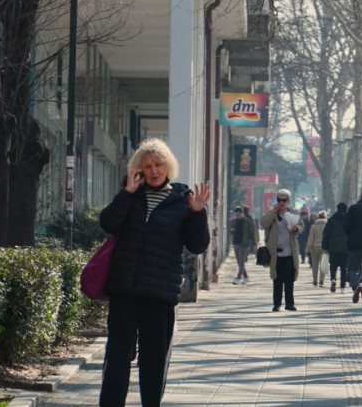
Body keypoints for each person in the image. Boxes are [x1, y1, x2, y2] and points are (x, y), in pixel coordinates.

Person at [98, 138, 211, 406]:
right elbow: (108, 223)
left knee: (154, 360)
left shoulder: (183, 201)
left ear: (167, 166)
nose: (153, 170)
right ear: (138, 169)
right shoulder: (130, 196)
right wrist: (126, 191)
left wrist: (198, 213)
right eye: (147, 166)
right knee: (117, 358)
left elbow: (197, 245)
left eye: (158, 164)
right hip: (125, 290)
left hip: (160, 294)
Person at [261, 189, 304, 311]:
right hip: (275, 253)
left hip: (290, 252)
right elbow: (264, 224)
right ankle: (277, 304)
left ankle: (289, 304)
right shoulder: (272, 213)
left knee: (289, 280)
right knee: (277, 279)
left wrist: (297, 229)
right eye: (279, 200)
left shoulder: (294, 213)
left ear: (288, 201)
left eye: (284, 200)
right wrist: (273, 211)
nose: (281, 202)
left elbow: (302, 226)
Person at [322, 202, 350, 293]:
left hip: (333, 247)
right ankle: (342, 286)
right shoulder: (349, 220)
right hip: (346, 248)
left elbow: (326, 234)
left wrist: (325, 246)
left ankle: (333, 279)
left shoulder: (332, 219)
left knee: (333, 266)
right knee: (344, 267)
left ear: (337, 209)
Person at [229, 205, 259, 285]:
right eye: (236, 215)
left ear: (242, 213)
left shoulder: (248, 222)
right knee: (239, 262)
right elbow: (231, 231)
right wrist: (232, 229)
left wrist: (255, 244)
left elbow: (253, 234)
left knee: (241, 261)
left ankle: (238, 278)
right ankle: (246, 277)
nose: (237, 216)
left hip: (244, 244)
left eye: (239, 214)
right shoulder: (234, 221)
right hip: (236, 243)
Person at [305, 211, 328, 287]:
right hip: (324, 248)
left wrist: (308, 250)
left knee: (315, 264)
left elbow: (310, 239)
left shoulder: (314, 226)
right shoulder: (327, 226)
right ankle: (321, 281)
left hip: (314, 247)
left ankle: (315, 280)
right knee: (323, 264)